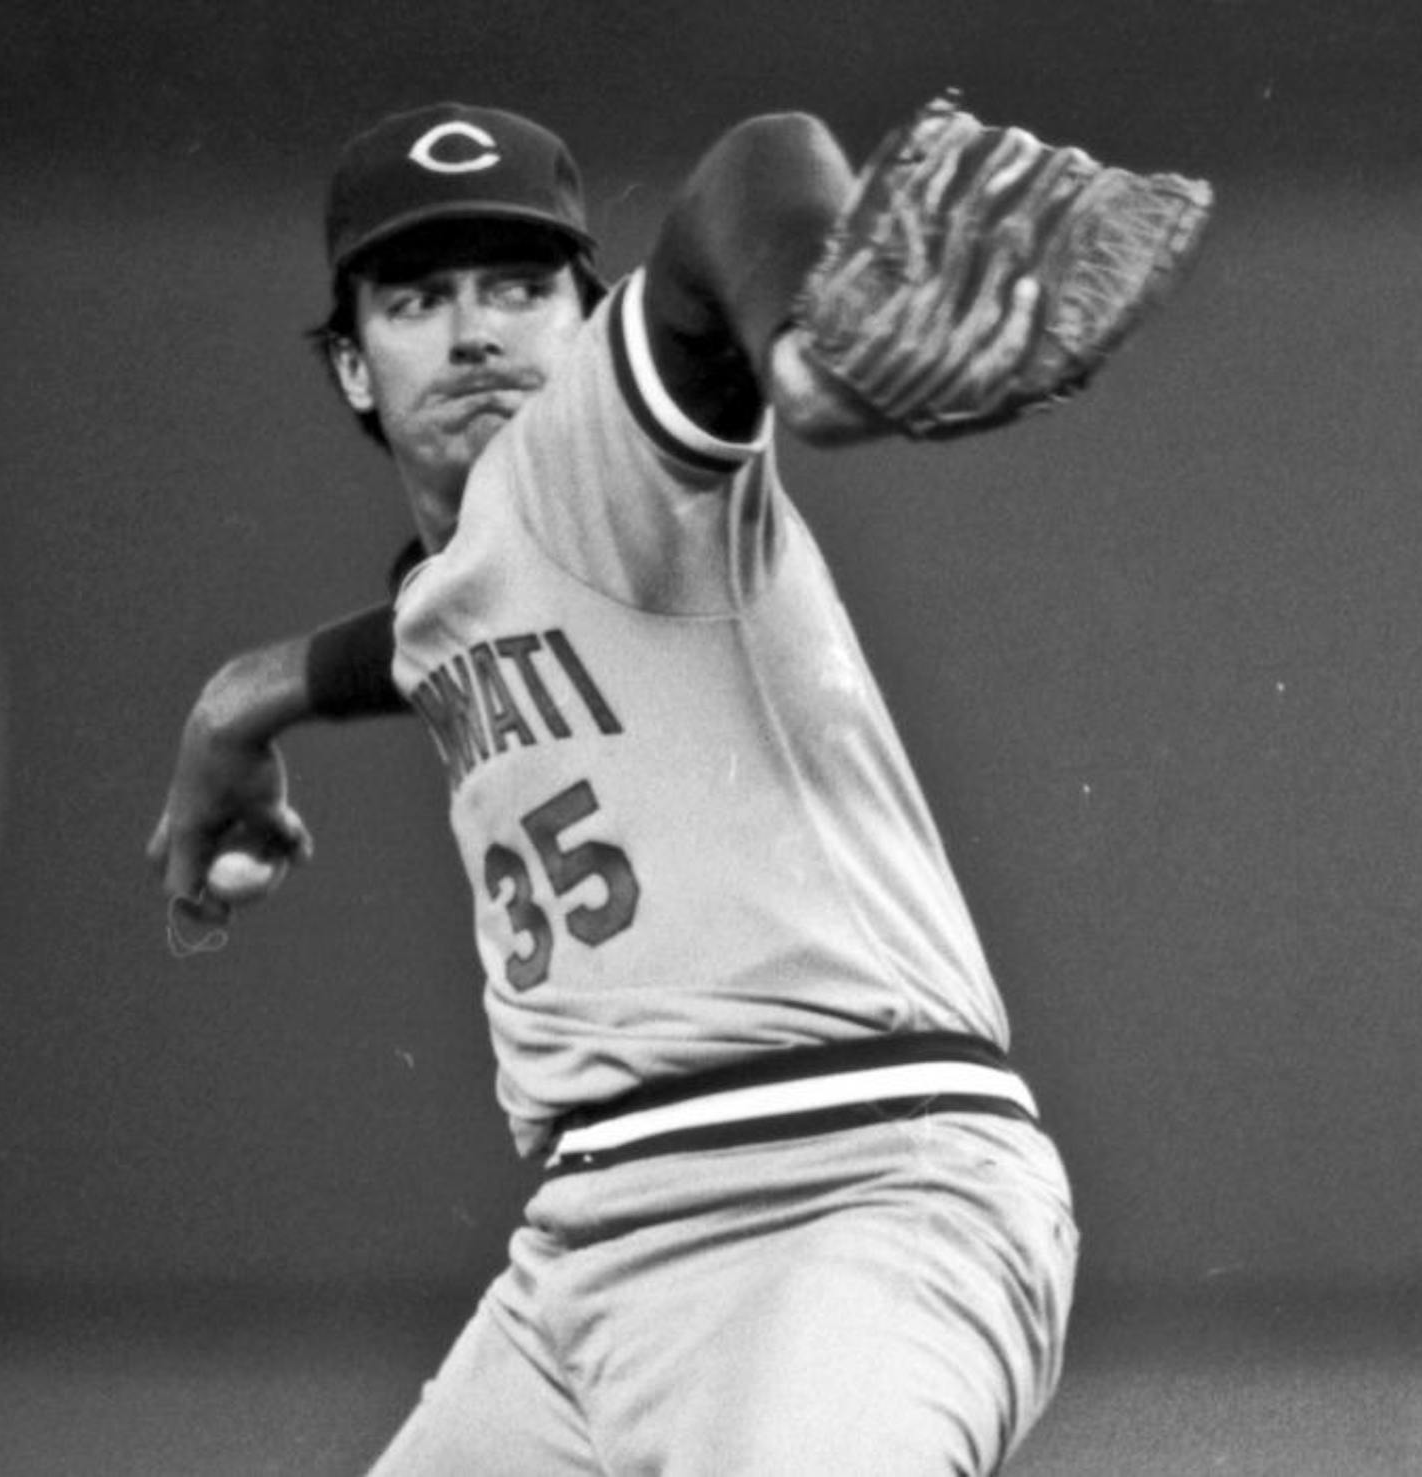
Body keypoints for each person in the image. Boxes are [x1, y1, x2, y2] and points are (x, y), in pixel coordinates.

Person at [148, 100, 1095, 1475]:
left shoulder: (601, 450)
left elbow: (754, 166)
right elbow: (412, 639)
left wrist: (808, 333)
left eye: (523, 288)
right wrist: (241, 701)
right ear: (354, 366)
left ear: (590, 327)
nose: (476, 331)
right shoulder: (454, 587)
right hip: (585, 1265)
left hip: (857, 1196)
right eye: (418, 298)